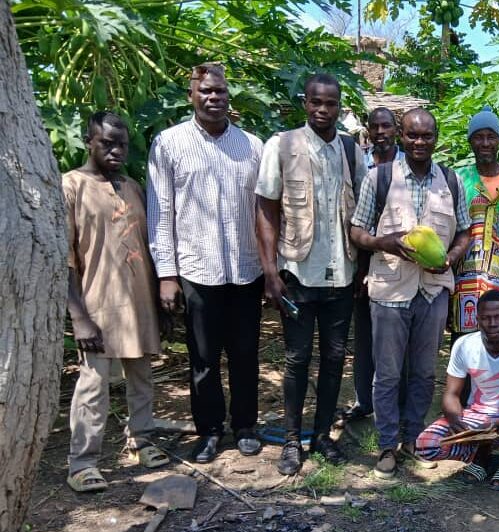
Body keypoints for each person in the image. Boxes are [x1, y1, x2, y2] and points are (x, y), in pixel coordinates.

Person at [147, 62, 264, 464]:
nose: (214, 98)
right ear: (191, 96)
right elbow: (160, 213)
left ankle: (245, 425)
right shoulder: (168, 144)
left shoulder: (252, 146)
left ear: (230, 96)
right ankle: (210, 431)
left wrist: (271, 265)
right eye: (206, 91)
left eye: (221, 91)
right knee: (203, 358)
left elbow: (264, 212)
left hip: (247, 269)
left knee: (246, 353)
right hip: (197, 270)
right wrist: (166, 275)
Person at [349, 107, 471, 479]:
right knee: (386, 374)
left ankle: (413, 439)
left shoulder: (450, 181)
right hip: (390, 290)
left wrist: (449, 258)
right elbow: (356, 231)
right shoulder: (381, 178)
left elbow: (465, 231)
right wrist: (382, 242)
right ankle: (387, 445)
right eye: (412, 136)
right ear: (402, 137)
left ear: (437, 139)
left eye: (427, 136)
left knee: (421, 372)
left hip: (433, 291)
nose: (419, 142)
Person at [255, 74, 367, 476]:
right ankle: (290, 440)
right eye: (316, 102)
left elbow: (364, 213)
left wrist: (362, 270)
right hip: (297, 275)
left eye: (331, 103)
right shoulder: (281, 145)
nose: (323, 110)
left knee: (336, 358)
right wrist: (270, 271)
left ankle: (322, 436)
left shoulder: (353, 150)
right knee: (297, 359)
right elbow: (266, 210)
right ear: (306, 103)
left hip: (342, 275)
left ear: (339, 106)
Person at [64, 111, 168, 492]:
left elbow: (147, 247)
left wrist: (158, 303)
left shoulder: (132, 187)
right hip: (96, 305)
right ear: (89, 141)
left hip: (138, 303)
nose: (116, 150)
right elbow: (66, 260)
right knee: (93, 385)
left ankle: (141, 441)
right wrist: (79, 318)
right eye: (107, 143)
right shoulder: (72, 186)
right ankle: (83, 462)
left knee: (142, 378)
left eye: (122, 144)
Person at [415, 290, 499, 490]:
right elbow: (451, 394)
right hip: (476, 414)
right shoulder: (465, 344)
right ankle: (480, 455)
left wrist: (494, 425)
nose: (493, 323)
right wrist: (457, 421)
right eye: (486, 318)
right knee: (426, 445)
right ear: (477, 319)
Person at [343, 106, 404, 424]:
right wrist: (359, 269)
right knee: (364, 335)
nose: (380, 132)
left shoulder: (410, 165)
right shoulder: (358, 164)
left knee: (397, 339)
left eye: (386, 126)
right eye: (375, 127)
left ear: (396, 129)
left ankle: (395, 403)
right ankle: (364, 400)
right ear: (368, 130)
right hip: (363, 258)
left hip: (402, 264)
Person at [451, 105, 499, 336]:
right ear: (470, 142)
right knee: (466, 347)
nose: (485, 143)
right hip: (466, 281)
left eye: (490, 137)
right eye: (478, 137)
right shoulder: (458, 179)